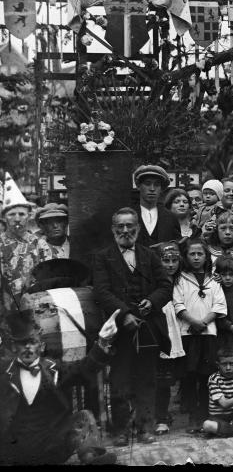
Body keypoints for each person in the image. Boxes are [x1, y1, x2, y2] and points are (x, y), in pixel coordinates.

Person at [92, 207, 173, 446]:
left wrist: (152, 301)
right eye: (121, 226)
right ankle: (120, 431)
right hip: (120, 330)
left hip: (148, 327)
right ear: (113, 229)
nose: (125, 230)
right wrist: (124, 314)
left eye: (130, 226)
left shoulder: (149, 255)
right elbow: (101, 292)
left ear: (137, 228)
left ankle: (144, 428)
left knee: (147, 378)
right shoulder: (102, 257)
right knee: (119, 379)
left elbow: (165, 286)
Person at [0, 309, 119, 465]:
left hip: (50, 448)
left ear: (41, 346)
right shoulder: (3, 373)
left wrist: (102, 341)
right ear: (14, 347)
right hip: (14, 452)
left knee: (83, 416)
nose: (28, 347)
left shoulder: (55, 370)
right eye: (23, 343)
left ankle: (91, 459)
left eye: (32, 342)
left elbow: (84, 368)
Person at [173, 237, 227, 431]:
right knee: (189, 375)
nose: (196, 257)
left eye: (200, 254)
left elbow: (219, 305)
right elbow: (178, 304)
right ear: (186, 256)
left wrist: (203, 322)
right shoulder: (180, 279)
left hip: (208, 333)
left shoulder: (214, 280)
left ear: (206, 256)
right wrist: (193, 322)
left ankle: (205, 414)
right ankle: (192, 416)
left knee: (207, 376)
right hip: (187, 333)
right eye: (192, 254)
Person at [153, 241, 186, 437]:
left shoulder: (182, 280)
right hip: (161, 327)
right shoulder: (153, 280)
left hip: (180, 328)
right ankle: (160, 417)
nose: (171, 265)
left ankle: (166, 413)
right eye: (166, 261)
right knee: (159, 375)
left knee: (170, 376)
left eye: (174, 260)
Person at [0, 175, 40, 313]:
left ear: (29, 216)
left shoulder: (39, 243)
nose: (17, 219)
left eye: (22, 214)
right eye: (12, 214)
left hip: (35, 306)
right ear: (3, 218)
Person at [133, 165, 181, 247]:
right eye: (147, 183)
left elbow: (178, 247)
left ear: (161, 189)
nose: (152, 188)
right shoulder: (128, 215)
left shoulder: (171, 218)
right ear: (138, 186)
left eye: (157, 184)